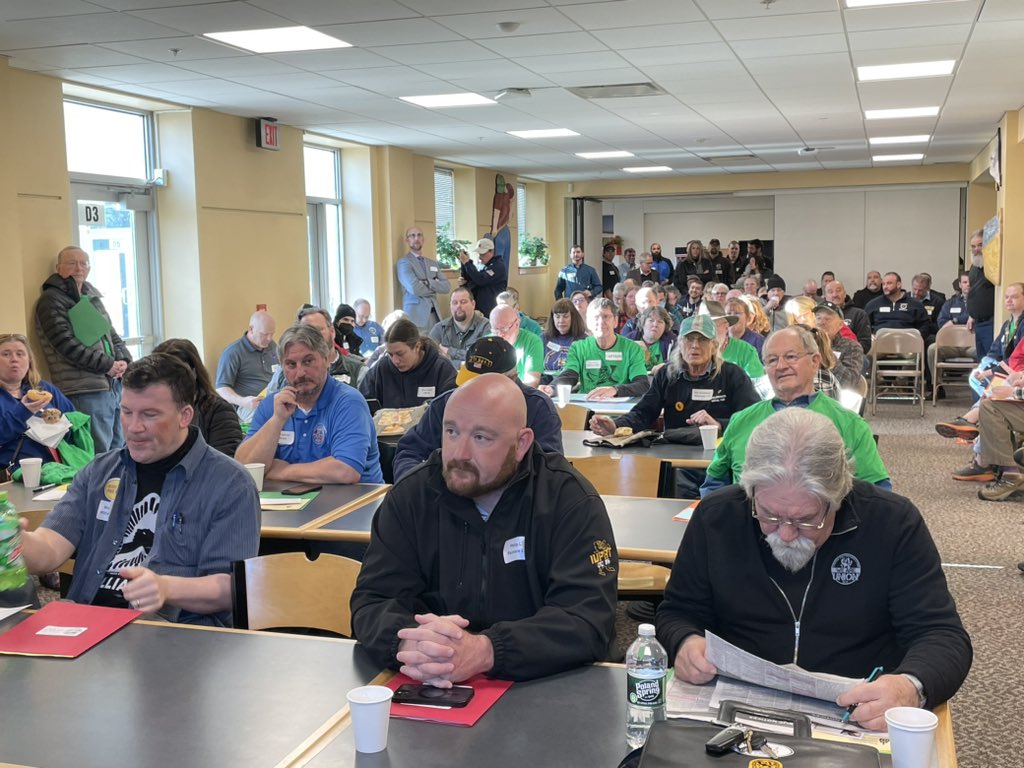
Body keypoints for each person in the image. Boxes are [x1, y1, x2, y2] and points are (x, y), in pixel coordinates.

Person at [657, 408, 972, 731]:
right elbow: (678, 611)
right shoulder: (716, 517)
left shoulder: (892, 523)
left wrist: (910, 686)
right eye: (768, 515)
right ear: (749, 492)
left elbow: (942, 635)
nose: (786, 533)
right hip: (735, 713)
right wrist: (684, 642)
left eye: (807, 520)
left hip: (857, 714)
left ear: (839, 496)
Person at [350, 373, 618, 683]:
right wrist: (409, 641)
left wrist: (488, 649)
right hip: (429, 680)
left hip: (542, 688)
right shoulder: (411, 498)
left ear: (521, 444)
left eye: (481, 438)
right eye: (451, 432)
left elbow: (587, 619)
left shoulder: (570, 502)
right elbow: (372, 601)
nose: (460, 453)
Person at [19, 353, 261, 626]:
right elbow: (49, 550)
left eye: (149, 414)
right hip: (86, 622)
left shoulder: (230, 484)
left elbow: (231, 588)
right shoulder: (99, 471)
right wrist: (16, 542)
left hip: (174, 634)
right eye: (126, 412)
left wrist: (167, 588)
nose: (134, 428)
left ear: (185, 416)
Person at [701, 326, 890, 496]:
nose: (781, 366)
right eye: (772, 360)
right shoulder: (741, 421)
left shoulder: (849, 424)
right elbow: (714, 483)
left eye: (791, 357)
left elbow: (877, 493)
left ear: (815, 361)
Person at [593, 314, 759, 496]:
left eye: (702, 340)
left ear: (714, 346)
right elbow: (644, 412)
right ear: (680, 344)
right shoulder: (666, 374)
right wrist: (616, 425)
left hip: (719, 460)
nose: (695, 345)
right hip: (675, 461)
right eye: (689, 339)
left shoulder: (733, 375)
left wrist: (719, 425)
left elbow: (754, 419)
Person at [393, 337, 563, 481]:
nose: (474, 390)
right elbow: (409, 452)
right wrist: (420, 489)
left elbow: (548, 474)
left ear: (512, 378)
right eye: (470, 382)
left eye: (486, 386)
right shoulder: (445, 404)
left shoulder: (538, 409)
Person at [236, 324, 383, 484]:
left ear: (326, 359)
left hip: (354, 504)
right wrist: (277, 420)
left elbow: (345, 471)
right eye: (291, 364)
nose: (300, 373)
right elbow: (245, 467)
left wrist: (280, 470)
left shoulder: (348, 402)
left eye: (308, 361)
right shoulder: (272, 405)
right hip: (288, 504)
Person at [35, 245, 132, 452]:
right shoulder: (51, 301)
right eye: (71, 263)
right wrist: (107, 365)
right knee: (97, 454)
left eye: (83, 263)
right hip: (84, 390)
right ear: (58, 267)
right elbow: (66, 345)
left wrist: (124, 360)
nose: (79, 268)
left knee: (119, 450)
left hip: (112, 386)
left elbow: (111, 335)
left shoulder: (92, 298)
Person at [542, 299, 650, 400]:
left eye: (606, 317)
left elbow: (642, 384)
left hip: (619, 411)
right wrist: (552, 388)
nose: (601, 322)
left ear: (615, 321)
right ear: (588, 323)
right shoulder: (578, 347)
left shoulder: (632, 349)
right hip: (588, 408)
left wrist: (615, 390)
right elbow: (569, 375)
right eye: (596, 317)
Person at [152, 339, 242, 457]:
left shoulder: (218, 410)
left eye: (172, 376)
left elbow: (224, 464)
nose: (165, 383)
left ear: (193, 373)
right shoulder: (149, 410)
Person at [0, 332, 76, 468]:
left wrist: (60, 427)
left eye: (20, 354)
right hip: (13, 473)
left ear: (29, 361)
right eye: (6, 354)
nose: (14, 359)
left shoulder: (44, 389)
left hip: (57, 469)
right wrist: (23, 412)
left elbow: (75, 424)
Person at [358, 318, 457, 408]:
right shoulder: (381, 368)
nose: (395, 361)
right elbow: (362, 404)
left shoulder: (442, 369)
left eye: (400, 353)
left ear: (417, 347)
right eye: (390, 354)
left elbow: (453, 409)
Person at [268, 307, 366, 390]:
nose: (313, 336)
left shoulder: (358, 370)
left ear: (332, 331)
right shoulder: (283, 373)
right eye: (306, 332)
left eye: (318, 330)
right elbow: (268, 407)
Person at [215, 309, 278, 425]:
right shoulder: (233, 352)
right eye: (264, 334)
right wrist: (244, 401)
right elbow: (221, 389)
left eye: (272, 334)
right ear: (251, 329)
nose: (269, 338)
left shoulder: (273, 347)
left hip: (274, 400)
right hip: (248, 407)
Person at [396, 226, 451, 330]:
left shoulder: (432, 263)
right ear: (407, 240)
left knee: (434, 345)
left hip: (435, 315)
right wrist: (435, 287)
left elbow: (447, 287)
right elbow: (414, 288)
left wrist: (427, 282)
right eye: (412, 236)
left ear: (423, 239)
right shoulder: (404, 263)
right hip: (416, 316)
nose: (416, 238)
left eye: (419, 235)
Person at [701, 301, 764, 383]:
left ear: (726, 326)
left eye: (713, 325)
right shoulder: (692, 350)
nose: (708, 331)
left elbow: (757, 385)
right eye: (703, 326)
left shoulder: (745, 351)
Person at [429, 286, 491, 369]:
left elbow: (484, 362)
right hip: (446, 379)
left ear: (473, 304)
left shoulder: (486, 327)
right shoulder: (439, 329)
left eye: (463, 302)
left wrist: (449, 352)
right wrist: (463, 364)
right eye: (454, 302)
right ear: (450, 306)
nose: (458, 306)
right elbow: (430, 360)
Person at [812, 302, 865, 391]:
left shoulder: (851, 346)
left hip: (834, 398)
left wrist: (826, 351)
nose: (821, 322)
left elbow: (849, 382)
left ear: (840, 325)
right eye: (818, 318)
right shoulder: (806, 345)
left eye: (828, 319)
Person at [490, 305, 543, 388]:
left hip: (519, 395)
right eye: (495, 330)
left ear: (517, 324)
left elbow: (532, 382)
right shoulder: (486, 343)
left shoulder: (532, 341)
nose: (500, 334)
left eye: (504, 329)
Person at [864, 272, 929, 334]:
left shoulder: (915, 304)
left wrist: (917, 336)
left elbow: (925, 326)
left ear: (898, 285)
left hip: (907, 340)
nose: (885, 287)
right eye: (883, 284)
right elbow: (864, 325)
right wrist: (870, 336)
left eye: (889, 283)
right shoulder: (873, 304)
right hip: (880, 340)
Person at [459, 237, 507, 317]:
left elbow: (481, 280)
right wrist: (464, 264)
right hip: (479, 309)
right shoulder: (483, 266)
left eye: (483, 254)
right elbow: (472, 278)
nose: (480, 257)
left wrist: (467, 263)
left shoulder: (498, 266)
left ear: (492, 251)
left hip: (491, 310)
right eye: (479, 254)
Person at [967, 228, 995, 360]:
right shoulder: (974, 267)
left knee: (991, 361)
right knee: (982, 362)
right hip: (978, 323)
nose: (976, 249)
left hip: (991, 322)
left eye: (980, 245)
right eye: (973, 246)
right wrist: (971, 315)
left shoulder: (992, 266)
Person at [824, 280, 872, 354]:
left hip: (852, 354)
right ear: (825, 296)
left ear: (845, 294)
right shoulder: (819, 316)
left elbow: (865, 343)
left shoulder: (859, 314)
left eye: (838, 291)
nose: (835, 294)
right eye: (830, 292)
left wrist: (847, 352)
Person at [541, 299, 587, 376]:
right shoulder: (543, 338)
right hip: (545, 384)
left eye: (566, 316)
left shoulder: (584, 341)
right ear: (553, 318)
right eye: (557, 317)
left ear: (573, 317)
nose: (561, 321)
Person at [624, 306, 676, 373]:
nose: (655, 325)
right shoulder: (629, 339)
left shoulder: (672, 341)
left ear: (665, 326)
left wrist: (666, 366)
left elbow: (678, 362)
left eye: (660, 322)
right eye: (651, 320)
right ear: (643, 323)